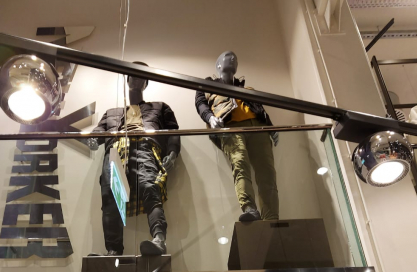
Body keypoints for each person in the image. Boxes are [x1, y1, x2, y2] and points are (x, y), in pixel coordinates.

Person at [88, 62, 180, 256]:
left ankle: (159, 240)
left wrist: (172, 153)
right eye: (133, 74)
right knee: (111, 196)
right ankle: (113, 251)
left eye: (142, 76)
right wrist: (92, 140)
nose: (137, 78)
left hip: (145, 145)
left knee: (149, 187)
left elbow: (173, 132)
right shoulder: (111, 112)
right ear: (127, 79)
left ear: (146, 83)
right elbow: (97, 133)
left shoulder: (160, 107)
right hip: (116, 149)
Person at [195, 51, 279, 222]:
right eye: (228, 56)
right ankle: (250, 208)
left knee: (267, 172)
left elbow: (261, 110)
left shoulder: (247, 89)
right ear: (219, 65)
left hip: (258, 128)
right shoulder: (207, 85)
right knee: (240, 163)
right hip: (231, 127)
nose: (233, 59)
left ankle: (271, 218)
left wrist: (271, 128)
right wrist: (210, 118)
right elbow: (200, 104)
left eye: (235, 58)